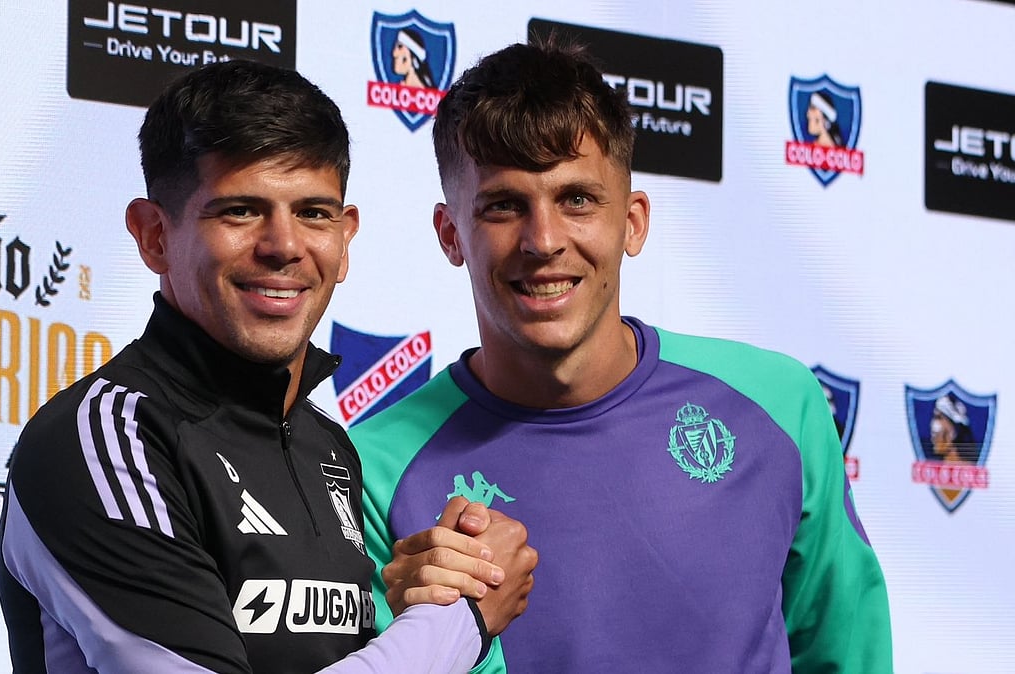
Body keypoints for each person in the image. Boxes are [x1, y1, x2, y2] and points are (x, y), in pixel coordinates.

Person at [352, 39, 893, 673]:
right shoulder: (373, 471)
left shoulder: (777, 404)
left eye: (577, 199)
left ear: (633, 222)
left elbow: (846, 654)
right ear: (451, 235)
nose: (544, 241)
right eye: (504, 205)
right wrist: (450, 634)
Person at [0, 59, 534, 673]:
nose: (283, 246)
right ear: (153, 236)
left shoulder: (327, 445)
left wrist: (431, 593)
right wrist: (459, 619)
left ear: (345, 235)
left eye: (313, 213)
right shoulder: (101, 440)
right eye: (240, 211)